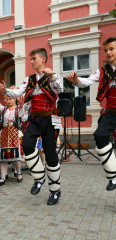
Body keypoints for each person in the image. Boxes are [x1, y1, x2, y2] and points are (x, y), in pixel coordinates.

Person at [0, 48, 62, 205]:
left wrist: (52, 77)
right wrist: (5, 90)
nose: (31, 61)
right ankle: (39, 178)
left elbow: (59, 90)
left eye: (34, 58)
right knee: (26, 144)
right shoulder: (29, 79)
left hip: (49, 119)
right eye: (30, 59)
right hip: (34, 118)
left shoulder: (54, 76)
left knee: (50, 154)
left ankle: (55, 190)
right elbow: (18, 92)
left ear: (42, 59)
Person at [66, 37, 116, 191]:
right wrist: (75, 80)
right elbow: (86, 81)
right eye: (106, 50)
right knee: (100, 134)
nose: (108, 52)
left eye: (111, 49)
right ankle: (113, 177)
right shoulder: (103, 71)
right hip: (111, 112)